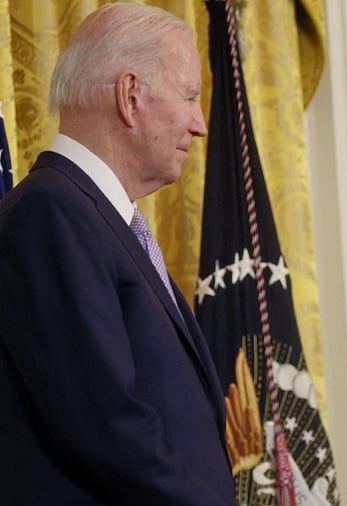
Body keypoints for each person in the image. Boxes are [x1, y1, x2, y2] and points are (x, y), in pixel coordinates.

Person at [0, 3, 238, 505]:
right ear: (130, 96)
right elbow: (105, 422)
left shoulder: (100, 219)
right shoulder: (50, 212)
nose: (199, 124)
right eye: (190, 97)